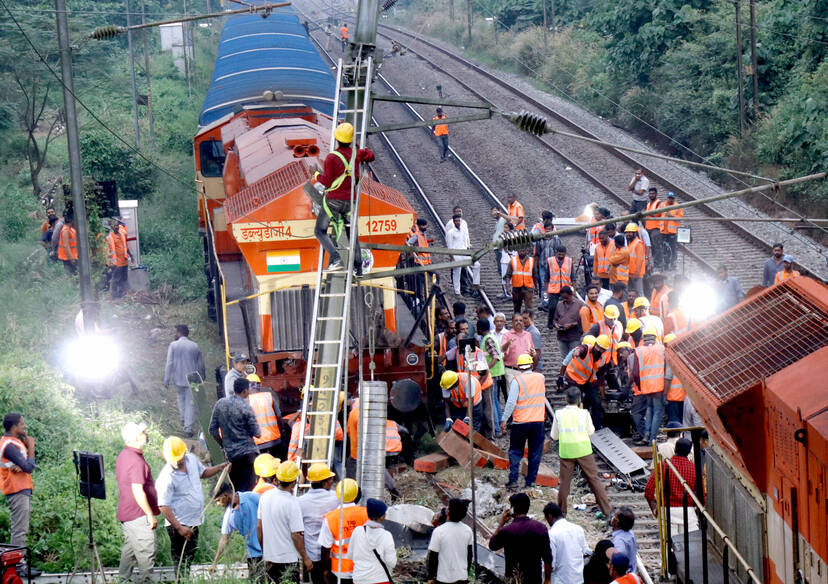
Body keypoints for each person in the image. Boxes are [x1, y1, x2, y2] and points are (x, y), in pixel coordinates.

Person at [156, 437, 227, 576]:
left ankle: (184, 578)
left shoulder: (191, 460)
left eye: (179, 458)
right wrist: (179, 527)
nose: (177, 461)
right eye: (173, 459)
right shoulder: (166, 478)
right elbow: (163, 505)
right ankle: (181, 579)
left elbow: (203, 473)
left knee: (190, 555)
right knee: (181, 559)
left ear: (184, 453)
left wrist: (219, 468)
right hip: (179, 524)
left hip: (194, 521)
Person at [312, 122, 374, 272]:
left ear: (337, 139)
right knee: (352, 234)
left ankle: (335, 258)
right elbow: (371, 156)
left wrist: (315, 175)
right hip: (350, 202)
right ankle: (358, 267)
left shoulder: (331, 158)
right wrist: (361, 149)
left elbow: (327, 182)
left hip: (333, 202)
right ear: (351, 140)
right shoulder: (356, 153)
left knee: (320, 231)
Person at [552, 388, 613, 518]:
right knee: (594, 480)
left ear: (565, 399)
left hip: (567, 451)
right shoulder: (584, 413)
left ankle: (561, 513)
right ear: (580, 400)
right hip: (584, 450)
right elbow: (591, 431)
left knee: (564, 483)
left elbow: (554, 436)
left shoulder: (559, 414)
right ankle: (607, 511)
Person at [116, 421, 159, 584]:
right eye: (142, 432)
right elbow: (137, 490)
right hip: (138, 515)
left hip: (128, 514)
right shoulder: (136, 461)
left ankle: (123, 580)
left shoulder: (124, 455)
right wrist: (149, 514)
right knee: (147, 553)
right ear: (135, 438)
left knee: (130, 551)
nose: (145, 434)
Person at [257, 461, 312, 583]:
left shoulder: (265, 497)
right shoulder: (292, 503)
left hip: (270, 559)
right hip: (288, 560)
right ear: (294, 482)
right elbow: (296, 535)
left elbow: (259, 527)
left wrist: (265, 550)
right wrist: (306, 558)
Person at [1, 413, 40, 577]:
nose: (24, 426)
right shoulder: (9, 445)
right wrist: (31, 446)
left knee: (19, 528)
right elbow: (29, 467)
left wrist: (23, 464)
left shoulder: (13, 442)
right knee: (19, 530)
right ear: (14, 426)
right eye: (22, 424)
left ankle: (15, 564)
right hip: (16, 490)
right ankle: (17, 567)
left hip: (20, 489)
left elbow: (26, 465)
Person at [500, 354, 546, 489]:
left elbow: (511, 402)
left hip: (520, 423)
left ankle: (513, 481)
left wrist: (504, 419)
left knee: (515, 452)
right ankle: (530, 482)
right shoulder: (540, 377)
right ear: (532, 365)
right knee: (535, 453)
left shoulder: (517, 380)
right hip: (538, 421)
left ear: (519, 367)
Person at [209, 377, 261, 492]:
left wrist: (223, 445)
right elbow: (257, 433)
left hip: (232, 456)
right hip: (248, 455)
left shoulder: (220, 404)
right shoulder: (246, 407)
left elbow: (212, 430)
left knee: (235, 490)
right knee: (248, 491)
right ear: (245, 391)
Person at [489, 492, 552, 584]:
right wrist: (547, 580)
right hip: (534, 579)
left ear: (513, 509)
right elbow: (547, 557)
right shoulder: (540, 528)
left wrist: (501, 523)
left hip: (514, 579)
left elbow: (492, 545)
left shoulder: (507, 530)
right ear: (528, 507)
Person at [645, 439, 700, 535]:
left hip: (667, 510)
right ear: (689, 452)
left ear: (675, 449)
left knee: (669, 545)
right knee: (689, 546)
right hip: (688, 511)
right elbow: (701, 494)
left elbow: (648, 490)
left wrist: (653, 506)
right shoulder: (694, 469)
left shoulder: (662, 466)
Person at [319, 479, 368, 584]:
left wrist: (325, 569)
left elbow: (325, 548)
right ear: (356, 494)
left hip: (340, 572)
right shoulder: (367, 514)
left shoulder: (330, 518)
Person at [299, 463, 339, 584]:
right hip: (332, 554)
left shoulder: (301, 501)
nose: (332, 481)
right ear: (324, 483)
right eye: (330, 479)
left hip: (312, 556)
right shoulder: (336, 498)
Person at [211, 484, 263, 578]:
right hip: (253, 555)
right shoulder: (228, 515)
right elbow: (224, 539)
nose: (218, 504)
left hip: (268, 549)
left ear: (225, 496)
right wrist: (215, 562)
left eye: (218, 500)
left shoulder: (252, 497)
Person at [163, 325, 206, 437]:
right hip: (192, 378)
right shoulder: (194, 346)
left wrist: (166, 379)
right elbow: (200, 364)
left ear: (179, 333)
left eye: (176, 332)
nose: (175, 334)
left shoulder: (173, 345)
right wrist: (202, 376)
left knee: (181, 399)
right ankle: (188, 428)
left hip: (178, 378)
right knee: (190, 403)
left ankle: (183, 418)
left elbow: (169, 363)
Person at [562, 335, 612, 428]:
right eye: (598, 347)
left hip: (588, 381)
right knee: (576, 402)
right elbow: (580, 349)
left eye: (602, 349)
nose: (599, 350)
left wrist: (602, 396)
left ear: (604, 350)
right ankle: (576, 426)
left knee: (596, 402)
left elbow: (600, 379)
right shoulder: (586, 349)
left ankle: (596, 427)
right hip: (573, 378)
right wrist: (576, 352)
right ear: (595, 344)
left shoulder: (603, 360)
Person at [347, 499, 396, 584]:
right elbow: (392, 562)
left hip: (359, 579)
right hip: (380, 580)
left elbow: (350, 555)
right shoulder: (386, 535)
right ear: (382, 516)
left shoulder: (357, 531)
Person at [631, 328, 665, 443]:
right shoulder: (662, 349)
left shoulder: (639, 350)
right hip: (659, 386)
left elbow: (635, 372)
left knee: (649, 410)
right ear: (655, 338)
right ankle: (652, 439)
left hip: (646, 387)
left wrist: (640, 386)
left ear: (643, 338)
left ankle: (646, 435)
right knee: (658, 412)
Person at [427, 498, 473, 584]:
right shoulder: (468, 530)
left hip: (444, 578)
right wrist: (466, 572)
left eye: (448, 507)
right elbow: (469, 555)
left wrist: (430, 577)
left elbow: (433, 556)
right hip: (462, 577)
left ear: (448, 512)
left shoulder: (439, 531)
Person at [544, 502, 589, 584]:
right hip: (579, 578)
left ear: (549, 516)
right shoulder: (578, 528)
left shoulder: (552, 534)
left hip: (562, 580)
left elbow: (551, 563)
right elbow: (586, 551)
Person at [478, 319, 504, 438]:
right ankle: (500, 426)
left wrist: (486, 369)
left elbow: (495, 357)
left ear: (479, 329)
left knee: (491, 402)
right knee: (495, 401)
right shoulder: (489, 337)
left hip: (491, 374)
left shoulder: (488, 339)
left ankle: (497, 430)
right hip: (494, 373)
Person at [247, 373, 282, 457]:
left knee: (261, 466)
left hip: (257, 443)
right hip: (274, 439)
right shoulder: (268, 396)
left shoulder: (245, 401)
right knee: (276, 462)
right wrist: (282, 432)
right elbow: (279, 417)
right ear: (260, 386)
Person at [447, 214, 480, 295]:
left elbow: (466, 243)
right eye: (456, 221)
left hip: (465, 253)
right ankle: (457, 292)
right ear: (453, 222)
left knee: (477, 265)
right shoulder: (450, 233)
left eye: (459, 221)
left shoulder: (464, 230)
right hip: (456, 255)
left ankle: (475, 285)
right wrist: (451, 257)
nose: (458, 222)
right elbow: (449, 246)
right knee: (457, 273)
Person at [552, 287, 584, 366]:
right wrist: (556, 325)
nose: (565, 299)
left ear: (571, 295)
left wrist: (572, 324)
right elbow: (554, 319)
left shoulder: (580, 304)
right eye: (563, 298)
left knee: (574, 358)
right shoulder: (559, 305)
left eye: (566, 297)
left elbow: (584, 320)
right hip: (561, 336)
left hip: (574, 336)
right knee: (565, 359)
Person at [546, 245, 574, 327]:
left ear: (565, 253)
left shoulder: (569, 261)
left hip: (565, 287)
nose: (561, 256)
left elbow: (573, 275)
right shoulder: (550, 261)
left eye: (563, 254)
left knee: (567, 307)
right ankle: (550, 322)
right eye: (559, 254)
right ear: (556, 253)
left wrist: (574, 288)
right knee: (552, 307)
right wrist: (546, 289)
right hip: (553, 288)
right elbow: (546, 276)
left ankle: (563, 321)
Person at [504, 247, 536, 313]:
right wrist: (508, 287)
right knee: (516, 307)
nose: (522, 253)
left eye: (523, 251)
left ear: (526, 251)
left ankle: (529, 320)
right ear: (517, 251)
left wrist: (536, 287)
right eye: (520, 251)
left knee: (529, 306)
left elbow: (535, 275)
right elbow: (508, 275)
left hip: (528, 287)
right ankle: (517, 319)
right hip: (516, 287)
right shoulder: (513, 261)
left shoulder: (531, 260)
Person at [662, 335, 685, 424]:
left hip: (673, 397)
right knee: (683, 423)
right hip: (685, 397)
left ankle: (676, 438)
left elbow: (668, 377)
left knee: (675, 423)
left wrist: (664, 395)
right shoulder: (683, 355)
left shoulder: (670, 358)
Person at [610, 508, 638, 575]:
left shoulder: (619, 541)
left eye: (615, 517)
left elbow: (619, 560)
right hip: (631, 572)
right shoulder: (630, 533)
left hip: (624, 576)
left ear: (617, 522)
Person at [643, 188, 664, 271]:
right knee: (651, 247)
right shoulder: (649, 204)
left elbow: (658, 214)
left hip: (656, 228)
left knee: (657, 247)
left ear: (656, 194)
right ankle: (654, 262)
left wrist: (647, 213)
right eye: (650, 193)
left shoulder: (659, 203)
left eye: (653, 194)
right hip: (648, 228)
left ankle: (658, 264)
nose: (651, 195)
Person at [106, 222, 130, 298]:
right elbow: (108, 251)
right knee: (116, 279)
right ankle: (114, 295)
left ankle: (122, 294)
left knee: (124, 279)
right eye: (114, 226)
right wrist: (110, 263)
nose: (116, 227)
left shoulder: (122, 234)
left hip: (124, 261)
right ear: (112, 227)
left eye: (117, 225)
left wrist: (131, 256)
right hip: (117, 263)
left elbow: (126, 246)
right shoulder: (110, 237)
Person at [660, 192, 682, 270]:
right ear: (667, 198)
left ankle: (673, 265)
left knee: (673, 249)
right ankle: (665, 264)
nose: (670, 199)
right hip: (663, 232)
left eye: (672, 198)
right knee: (664, 249)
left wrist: (671, 216)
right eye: (669, 198)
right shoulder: (662, 205)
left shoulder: (678, 206)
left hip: (672, 232)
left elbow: (680, 218)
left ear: (674, 199)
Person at [624, 224, 646, 296]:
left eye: (630, 232)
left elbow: (640, 260)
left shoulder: (638, 243)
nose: (628, 234)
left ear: (635, 233)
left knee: (639, 293)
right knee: (630, 293)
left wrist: (636, 273)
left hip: (636, 274)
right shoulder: (630, 243)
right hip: (630, 273)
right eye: (627, 232)